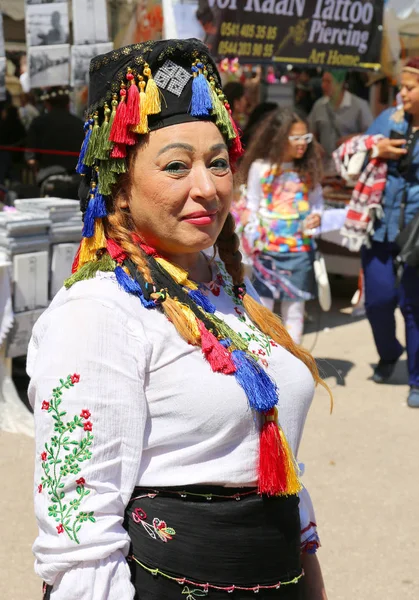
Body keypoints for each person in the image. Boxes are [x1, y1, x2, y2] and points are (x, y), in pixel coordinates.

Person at [28, 39, 329, 599]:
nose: (207, 188)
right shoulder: (97, 313)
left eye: (218, 163)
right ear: (118, 187)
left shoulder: (228, 291)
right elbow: (80, 531)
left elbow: (284, 471)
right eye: (175, 166)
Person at [358, 58, 419, 408]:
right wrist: (374, 150)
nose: (402, 94)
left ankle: (416, 378)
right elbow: (351, 155)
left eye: (410, 88)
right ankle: (389, 351)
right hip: (381, 227)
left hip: (417, 233)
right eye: (402, 87)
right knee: (378, 302)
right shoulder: (387, 120)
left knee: (415, 307)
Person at [240, 108, 323, 345]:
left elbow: (317, 202)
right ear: (278, 138)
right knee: (265, 311)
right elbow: (252, 204)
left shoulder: (309, 169)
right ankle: (271, 361)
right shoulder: (260, 168)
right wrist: (248, 230)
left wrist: (316, 217)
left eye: (306, 138)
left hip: (300, 251)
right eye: (295, 138)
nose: (302, 144)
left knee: (295, 312)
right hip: (266, 251)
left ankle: (294, 357)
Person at [309, 70, 373, 173]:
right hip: (324, 168)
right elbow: (311, 131)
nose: (323, 86)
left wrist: (351, 139)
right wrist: (315, 144)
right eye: (323, 81)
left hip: (351, 168)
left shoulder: (359, 106)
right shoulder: (319, 106)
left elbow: (372, 135)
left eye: (328, 82)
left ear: (341, 83)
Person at [25, 88, 84, 175]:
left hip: (48, 174)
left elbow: (31, 155)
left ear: (47, 104)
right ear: (68, 104)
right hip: (75, 175)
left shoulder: (39, 122)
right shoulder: (79, 123)